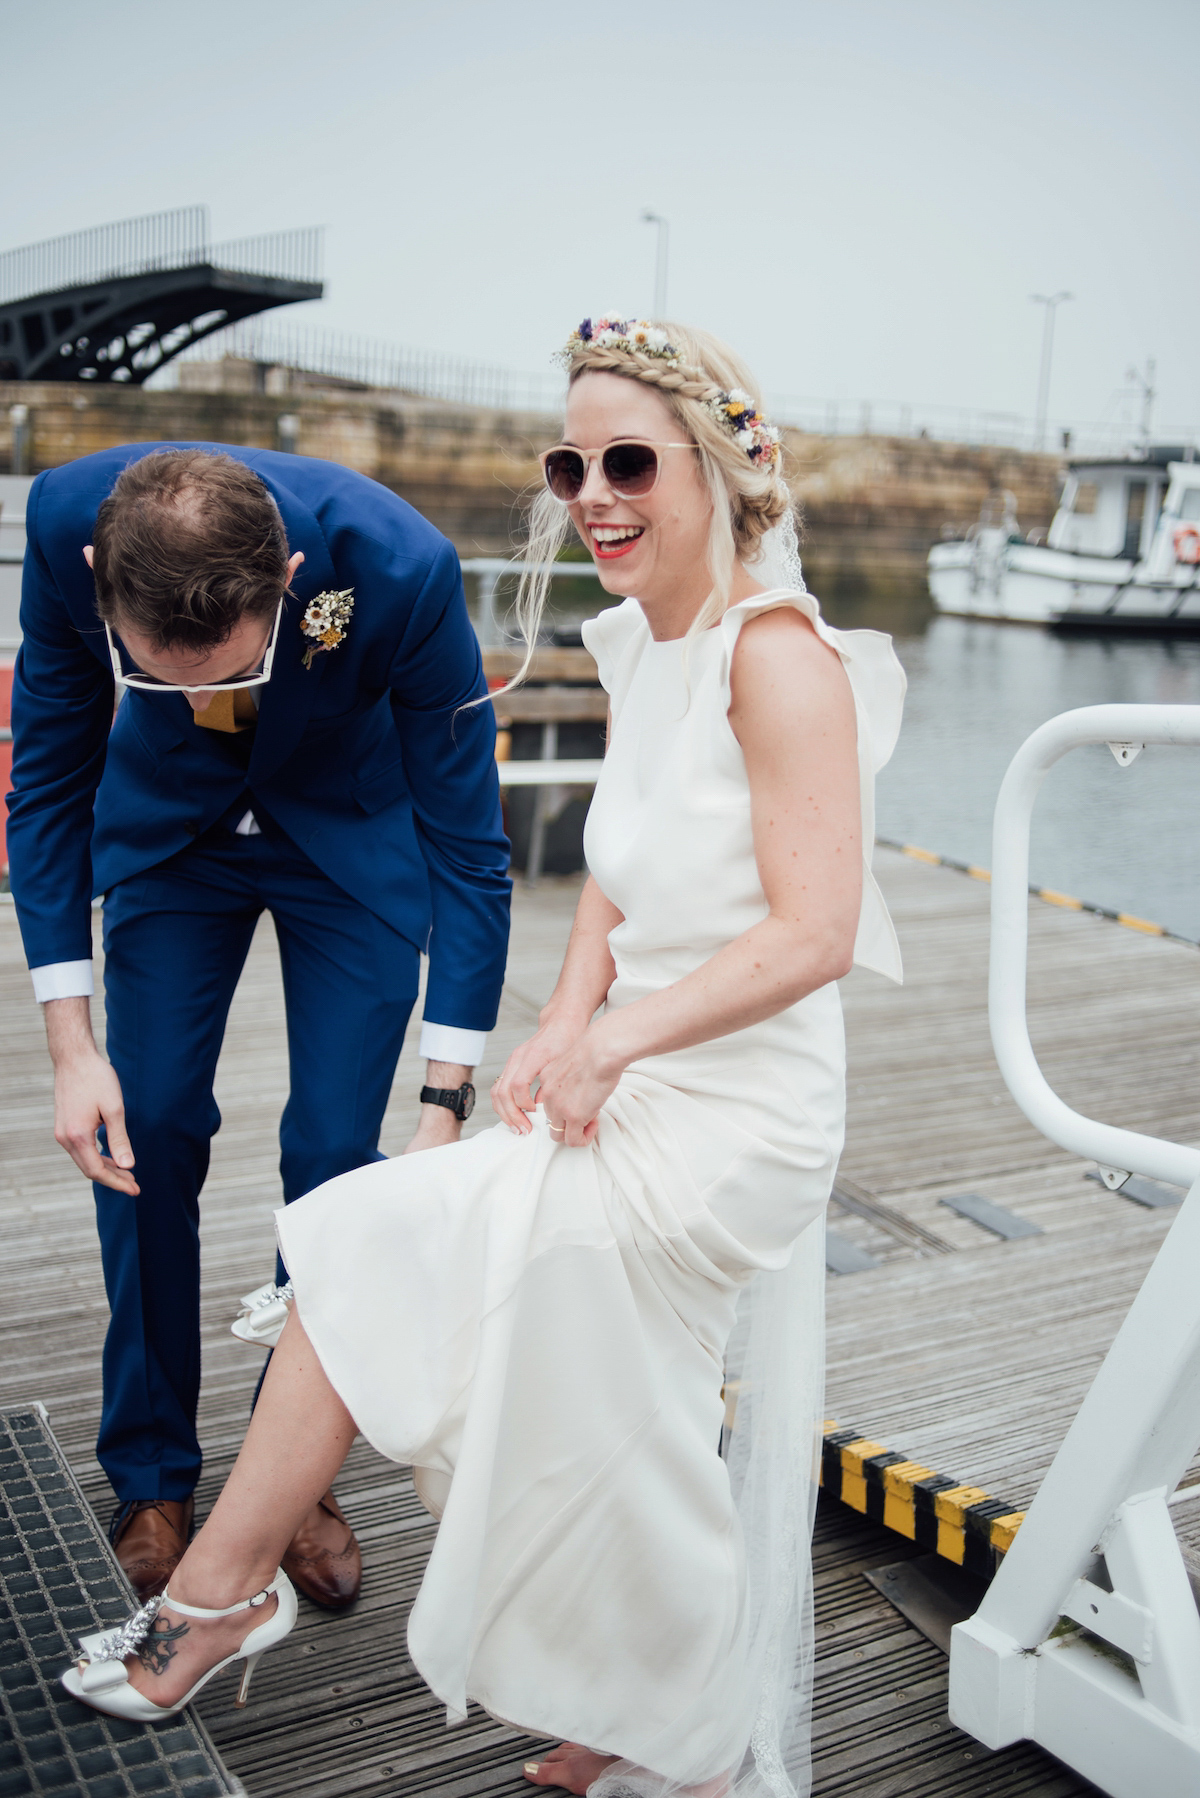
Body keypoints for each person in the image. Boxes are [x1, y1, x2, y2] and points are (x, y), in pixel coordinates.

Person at [61, 320, 904, 1798]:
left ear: (723, 460)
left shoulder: (781, 659)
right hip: (634, 1077)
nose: (592, 490)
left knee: (365, 1238)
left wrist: (619, 1037)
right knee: (614, 1412)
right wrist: (568, 1022)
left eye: (629, 460)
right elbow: (622, 885)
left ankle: (214, 1600)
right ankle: (637, 1707)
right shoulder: (649, 639)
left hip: (736, 1114)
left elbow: (818, 931)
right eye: (569, 460)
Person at [8, 444, 509, 1607]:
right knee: (150, 1133)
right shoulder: (61, 522)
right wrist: (70, 1046)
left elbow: (475, 851)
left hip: (347, 835)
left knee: (336, 1156)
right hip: (169, 839)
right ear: (98, 578)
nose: (191, 694)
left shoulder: (404, 568)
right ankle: (149, 1475)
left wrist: (445, 1105)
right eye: (162, 675)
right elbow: (46, 776)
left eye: (215, 670)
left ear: (287, 577)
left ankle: (295, 1469)